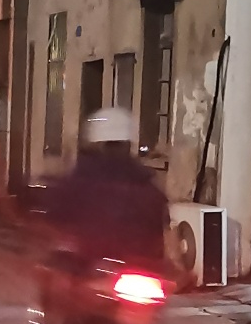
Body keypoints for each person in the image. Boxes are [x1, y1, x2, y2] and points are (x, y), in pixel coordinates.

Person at [51, 106, 169, 266]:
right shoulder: (146, 185)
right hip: (134, 265)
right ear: (128, 144)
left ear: (97, 143)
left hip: (88, 263)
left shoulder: (81, 180)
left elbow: (58, 216)